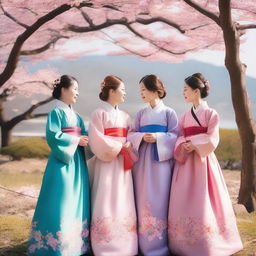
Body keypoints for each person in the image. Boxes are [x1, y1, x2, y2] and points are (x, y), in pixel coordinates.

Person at [168, 73, 243, 256]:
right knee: (185, 197)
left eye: (186, 89)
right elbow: (178, 137)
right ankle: (183, 243)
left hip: (204, 161)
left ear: (196, 91)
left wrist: (194, 143)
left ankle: (210, 241)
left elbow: (212, 139)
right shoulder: (184, 116)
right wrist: (184, 144)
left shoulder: (211, 114)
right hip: (186, 162)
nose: (183, 92)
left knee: (206, 198)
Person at [28, 75, 90, 256]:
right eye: (75, 88)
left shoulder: (76, 116)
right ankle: (54, 246)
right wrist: (77, 140)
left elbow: (84, 134)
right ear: (63, 89)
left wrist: (85, 140)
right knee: (60, 200)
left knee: (77, 199)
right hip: (62, 162)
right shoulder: (56, 112)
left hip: (76, 160)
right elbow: (53, 135)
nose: (77, 92)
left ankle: (74, 244)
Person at [128, 74, 178, 256]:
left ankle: (160, 245)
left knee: (161, 199)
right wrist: (141, 137)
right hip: (142, 161)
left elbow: (175, 136)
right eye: (140, 90)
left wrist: (158, 137)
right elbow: (131, 133)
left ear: (155, 90)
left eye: (143, 89)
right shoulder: (141, 113)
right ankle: (143, 244)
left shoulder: (169, 113)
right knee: (143, 198)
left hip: (161, 162)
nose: (141, 93)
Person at [88, 75, 138, 256]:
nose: (125, 93)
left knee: (123, 198)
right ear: (111, 91)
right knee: (106, 197)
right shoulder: (98, 114)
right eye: (122, 90)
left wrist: (129, 144)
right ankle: (105, 244)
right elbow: (96, 139)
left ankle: (126, 244)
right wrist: (119, 146)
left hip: (122, 162)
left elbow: (131, 135)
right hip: (107, 162)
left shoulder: (125, 116)